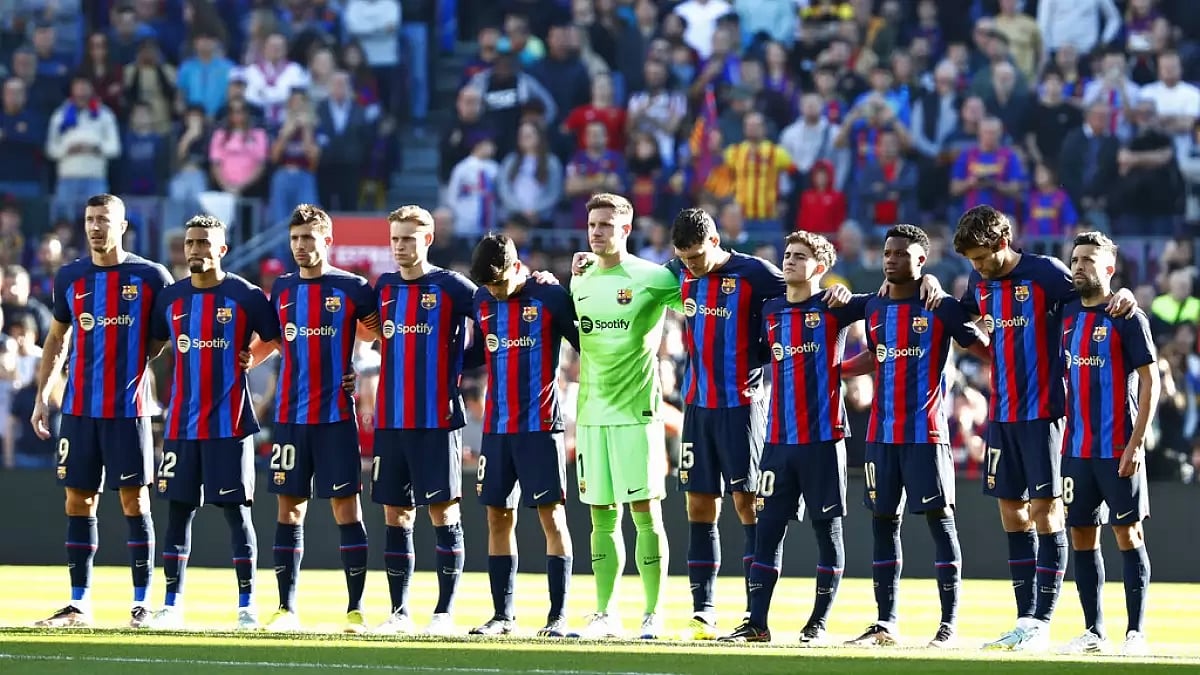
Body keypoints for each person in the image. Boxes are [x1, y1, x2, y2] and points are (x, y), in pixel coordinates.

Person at [952, 205, 1135, 651]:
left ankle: (1042, 620)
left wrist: (1124, 296)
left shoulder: (1047, 273)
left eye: (982, 257)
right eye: (971, 261)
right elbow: (961, 321)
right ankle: (1024, 619)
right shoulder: (979, 281)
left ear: (1003, 242)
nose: (978, 268)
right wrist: (938, 295)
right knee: (1012, 513)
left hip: (1046, 414)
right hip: (1002, 414)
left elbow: (1093, 298)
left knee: (1046, 512)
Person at [717, 231, 868, 644]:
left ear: (820, 267)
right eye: (787, 254)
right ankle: (756, 623)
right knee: (766, 532)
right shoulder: (770, 309)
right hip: (778, 442)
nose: (789, 261)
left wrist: (930, 282)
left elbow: (890, 299)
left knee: (827, 532)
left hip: (823, 439)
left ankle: (817, 623)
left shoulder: (835, 307)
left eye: (799, 256)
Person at [842, 224, 988, 648]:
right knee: (883, 525)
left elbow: (983, 346)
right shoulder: (873, 306)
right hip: (880, 436)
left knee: (941, 525)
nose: (890, 259)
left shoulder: (940, 307)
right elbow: (877, 353)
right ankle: (885, 623)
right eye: (887, 252)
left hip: (926, 434)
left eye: (901, 254)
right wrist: (838, 369)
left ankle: (948, 624)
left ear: (921, 260)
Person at [30, 194, 172, 628]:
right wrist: (43, 394)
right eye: (90, 219)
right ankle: (78, 604)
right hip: (79, 410)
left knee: (135, 500)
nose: (95, 226)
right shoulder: (71, 276)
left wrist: (136, 363)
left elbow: (162, 336)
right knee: (78, 500)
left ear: (123, 226)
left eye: (104, 219)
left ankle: (141, 604)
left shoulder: (151, 276)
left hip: (129, 410)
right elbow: (57, 338)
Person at [243, 205, 379, 634]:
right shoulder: (283, 288)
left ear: (328, 240)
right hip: (290, 417)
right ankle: (286, 608)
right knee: (289, 510)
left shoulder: (353, 288)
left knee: (346, 509)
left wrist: (355, 366)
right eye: (295, 238)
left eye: (308, 238)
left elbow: (377, 332)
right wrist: (241, 361)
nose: (301, 246)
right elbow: (272, 340)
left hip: (336, 418)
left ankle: (355, 609)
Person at [144, 214, 281, 630]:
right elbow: (151, 347)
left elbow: (276, 337)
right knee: (178, 514)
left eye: (204, 243)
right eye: (190, 242)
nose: (195, 250)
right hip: (182, 426)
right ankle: (171, 604)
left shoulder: (246, 295)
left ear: (221, 249)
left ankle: (247, 605)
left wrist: (252, 357)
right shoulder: (170, 298)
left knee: (237, 515)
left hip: (230, 424)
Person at [663, 208, 785, 640]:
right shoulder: (678, 271)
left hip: (743, 406)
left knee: (747, 503)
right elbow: (634, 278)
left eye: (697, 256)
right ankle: (703, 611)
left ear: (715, 241)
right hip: (697, 407)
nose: (691, 266)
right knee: (698, 505)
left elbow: (803, 295)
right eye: (684, 258)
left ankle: (755, 613)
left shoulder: (756, 273)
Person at [569, 193, 683, 639]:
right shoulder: (580, 279)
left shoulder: (653, 278)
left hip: (637, 414)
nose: (596, 232)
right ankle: (604, 613)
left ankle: (653, 613)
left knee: (645, 513)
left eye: (605, 225)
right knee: (601, 515)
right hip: (591, 413)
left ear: (626, 229)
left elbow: (702, 298)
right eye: (592, 224)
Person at [370, 205, 477, 636]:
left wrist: (463, 361)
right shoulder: (384, 286)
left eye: (409, 239)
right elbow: (367, 332)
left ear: (428, 240)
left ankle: (444, 613)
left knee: (443, 511)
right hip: (391, 420)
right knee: (396, 514)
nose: (400, 246)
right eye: (395, 238)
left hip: (437, 419)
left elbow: (495, 311)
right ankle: (398, 612)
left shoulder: (451, 286)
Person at [465, 233, 579, 638]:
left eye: (499, 283)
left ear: (517, 267)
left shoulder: (549, 297)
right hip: (496, 429)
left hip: (540, 426)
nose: (495, 291)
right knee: (497, 517)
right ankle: (502, 616)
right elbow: (475, 353)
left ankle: (558, 616)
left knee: (552, 517)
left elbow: (586, 344)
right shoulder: (481, 300)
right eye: (488, 285)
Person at [1057, 232, 1157, 657]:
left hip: (1118, 447)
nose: (1079, 266)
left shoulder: (1127, 316)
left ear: (1109, 269)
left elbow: (1150, 381)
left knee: (1127, 532)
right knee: (1082, 535)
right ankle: (1094, 632)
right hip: (1075, 449)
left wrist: (1137, 443)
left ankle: (1135, 632)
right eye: (1075, 259)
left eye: (1088, 260)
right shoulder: (1064, 311)